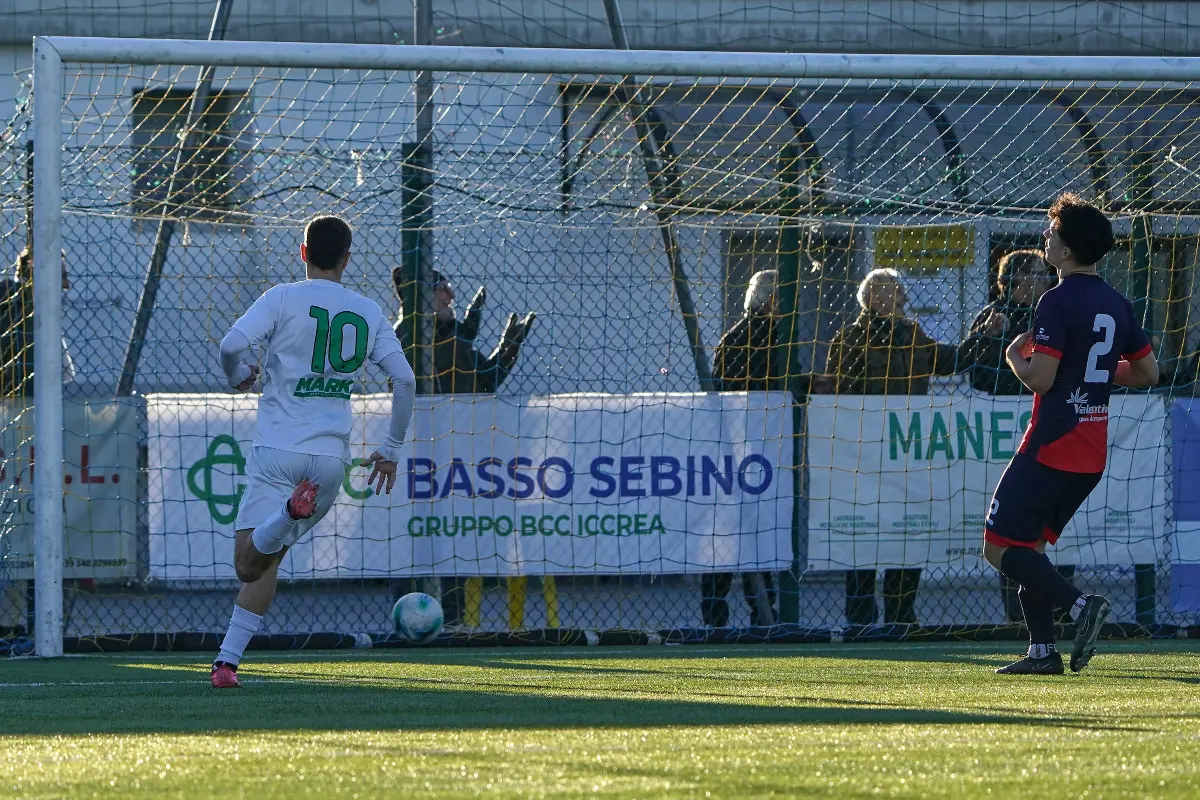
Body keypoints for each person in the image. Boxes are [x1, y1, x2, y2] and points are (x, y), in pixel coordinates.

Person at [210, 216, 417, 688]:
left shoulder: (282, 297)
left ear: (302, 253)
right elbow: (404, 381)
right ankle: (227, 663)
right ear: (347, 258)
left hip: (278, 450)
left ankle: (285, 512)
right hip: (327, 464)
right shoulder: (367, 311)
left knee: (247, 562)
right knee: (270, 559)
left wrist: (237, 375)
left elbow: (231, 345)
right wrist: (388, 450)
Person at [985, 192, 1158, 675]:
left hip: (1053, 442)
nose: (1045, 237)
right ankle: (1043, 654)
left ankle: (1082, 608)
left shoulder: (1056, 300)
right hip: (1091, 452)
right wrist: (1093, 375)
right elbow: (1148, 372)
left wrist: (1013, 359)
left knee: (998, 547)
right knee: (1032, 550)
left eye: (1052, 233)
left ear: (1067, 250)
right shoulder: (1117, 302)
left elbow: (1040, 378)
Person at [819, 268, 1005, 625]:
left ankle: (901, 614)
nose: (904, 296)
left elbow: (950, 362)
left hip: (908, 455)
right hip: (867, 457)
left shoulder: (912, 334)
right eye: (895, 289)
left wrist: (983, 336)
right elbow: (840, 396)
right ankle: (860, 617)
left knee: (907, 532)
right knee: (865, 535)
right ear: (873, 297)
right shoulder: (849, 340)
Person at [391, 268, 535, 626]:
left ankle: (451, 620)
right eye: (442, 291)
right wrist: (454, 331)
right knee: (417, 538)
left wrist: (508, 349)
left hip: (458, 454)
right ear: (421, 300)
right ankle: (412, 617)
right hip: (420, 457)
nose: (450, 297)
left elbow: (486, 381)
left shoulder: (452, 339)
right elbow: (422, 351)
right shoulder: (407, 336)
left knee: (450, 537)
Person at [966, 250, 1079, 623]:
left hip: (1049, 431)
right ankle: (1023, 619)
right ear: (1015, 281)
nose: (1046, 280)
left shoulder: (1054, 311)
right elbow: (976, 375)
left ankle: (1064, 611)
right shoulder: (991, 316)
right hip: (1006, 437)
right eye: (1036, 274)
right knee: (1011, 532)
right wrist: (992, 341)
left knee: (1048, 532)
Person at [703, 269, 785, 627]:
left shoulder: (732, 338)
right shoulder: (773, 339)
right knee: (756, 536)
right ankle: (763, 611)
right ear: (770, 299)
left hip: (737, 448)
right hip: (761, 448)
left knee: (728, 534)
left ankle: (715, 614)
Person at [0, 247, 76, 394]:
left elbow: (63, 374)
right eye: (61, 276)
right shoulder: (10, 309)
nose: (66, 285)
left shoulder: (43, 316)